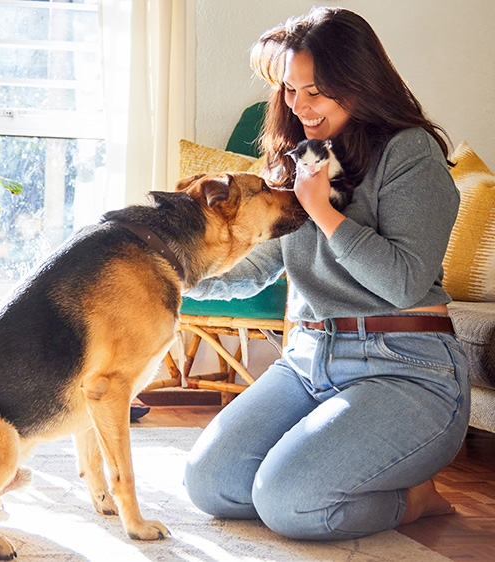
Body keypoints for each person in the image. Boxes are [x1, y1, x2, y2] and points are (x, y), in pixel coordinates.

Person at [182, 7, 470, 541]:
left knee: (290, 504)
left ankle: (413, 499)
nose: (300, 106)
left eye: (315, 91)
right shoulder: (295, 161)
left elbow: (405, 282)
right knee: (210, 483)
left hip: (406, 367)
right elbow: (259, 267)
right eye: (291, 90)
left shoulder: (412, 154)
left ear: (359, 84)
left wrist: (324, 212)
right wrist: (172, 276)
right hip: (308, 359)